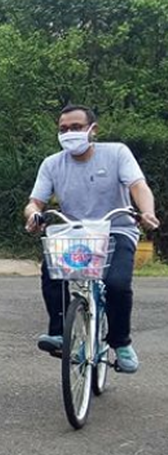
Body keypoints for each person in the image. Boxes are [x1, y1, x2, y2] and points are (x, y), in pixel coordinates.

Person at [24, 104, 160, 373]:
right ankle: (60, 333)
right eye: (63, 129)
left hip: (116, 230)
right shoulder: (52, 164)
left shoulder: (117, 153)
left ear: (92, 130)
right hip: (77, 234)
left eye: (76, 127)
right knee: (52, 272)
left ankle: (120, 343)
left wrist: (147, 212)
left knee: (117, 284)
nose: (69, 133)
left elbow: (137, 185)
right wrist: (33, 216)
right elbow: (34, 202)